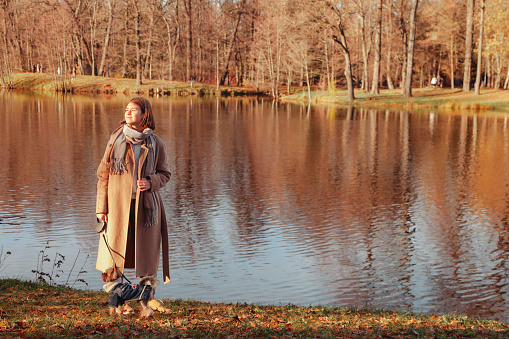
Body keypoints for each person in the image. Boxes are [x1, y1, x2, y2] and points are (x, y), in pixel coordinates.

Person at [96, 97, 171, 311]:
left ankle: (147, 300)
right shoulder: (115, 139)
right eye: (126, 109)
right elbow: (103, 175)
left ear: (144, 114)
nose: (128, 113)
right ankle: (118, 302)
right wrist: (101, 207)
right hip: (116, 206)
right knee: (115, 253)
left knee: (146, 255)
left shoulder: (156, 143)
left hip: (146, 207)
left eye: (133, 110)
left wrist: (150, 182)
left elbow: (165, 174)